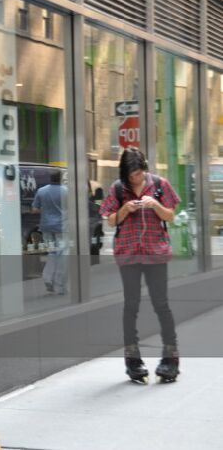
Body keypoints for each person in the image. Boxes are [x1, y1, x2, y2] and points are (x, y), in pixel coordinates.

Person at [99, 147, 181, 383]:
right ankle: (133, 361)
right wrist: (124, 209)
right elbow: (110, 220)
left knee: (161, 305)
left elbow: (170, 216)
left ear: (144, 169)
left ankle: (170, 360)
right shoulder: (118, 188)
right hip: (129, 254)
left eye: (138, 174)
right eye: (130, 175)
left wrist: (155, 205)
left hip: (155, 253)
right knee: (131, 306)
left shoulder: (160, 185)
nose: (135, 178)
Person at [31, 170, 69, 294]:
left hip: (46, 226)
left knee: (52, 253)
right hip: (62, 227)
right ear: (60, 178)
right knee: (62, 255)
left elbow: (35, 209)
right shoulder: (66, 191)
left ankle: (48, 278)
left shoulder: (41, 191)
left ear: (50, 178)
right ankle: (60, 284)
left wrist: (46, 210)